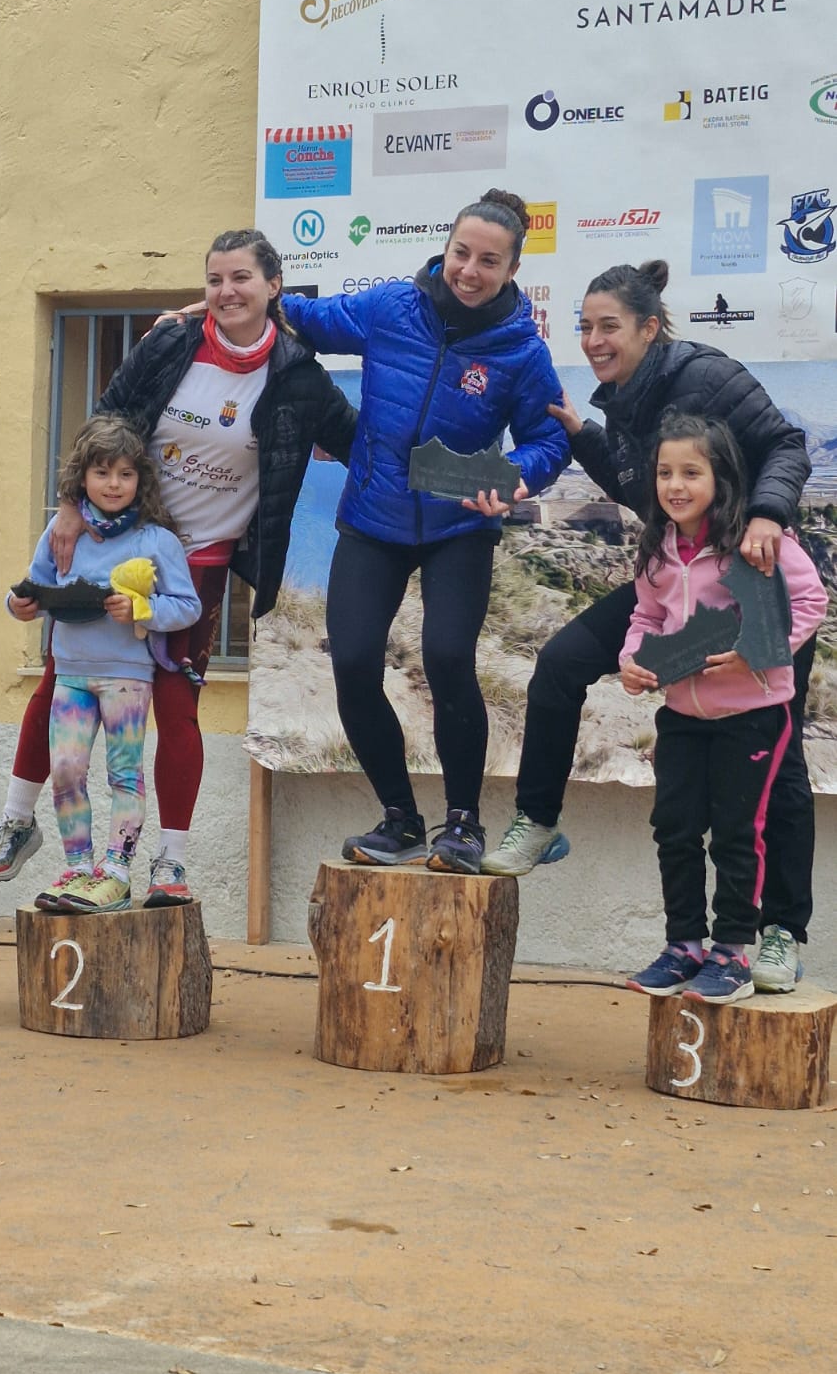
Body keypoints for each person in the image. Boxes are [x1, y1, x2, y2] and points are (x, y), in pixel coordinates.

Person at [0, 229, 358, 902]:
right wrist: (70, 504)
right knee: (58, 682)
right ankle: (15, 823)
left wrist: (441, 492)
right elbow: (106, 420)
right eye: (214, 280)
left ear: (274, 286)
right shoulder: (171, 341)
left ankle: (169, 864)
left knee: (177, 710)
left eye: (241, 278)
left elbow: (361, 445)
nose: (226, 291)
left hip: (199, 566)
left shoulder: (298, 377)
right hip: (113, 546)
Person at [481, 260, 816, 995]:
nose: (595, 340)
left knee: (775, 775)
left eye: (610, 326)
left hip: (758, 577)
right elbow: (642, 488)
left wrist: (766, 516)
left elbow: (787, 444)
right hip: (677, 582)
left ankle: (780, 934)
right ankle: (537, 822)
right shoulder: (622, 399)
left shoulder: (706, 375)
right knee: (565, 661)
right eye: (586, 327)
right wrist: (579, 435)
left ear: (649, 327)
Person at [280, 189, 570, 874]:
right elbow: (306, 320)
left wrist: (517, 475)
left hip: (457, 526)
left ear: (510, 268)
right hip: (374, 517)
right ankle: (400, 820)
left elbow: (548, 439)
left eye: (488, 261)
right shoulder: (390, 307)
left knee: (446, 659)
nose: (470, 270)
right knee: (352, 663)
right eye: (461, 253)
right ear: (446, 248)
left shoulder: (521, 351)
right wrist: (232, 304)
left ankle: (463, 825)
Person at [619, 414, 827, 1004]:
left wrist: (753, 652)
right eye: (664, 473)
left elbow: (811, 600)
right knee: (674, 829)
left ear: (722, 477)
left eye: (691, 472)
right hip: (681, 716)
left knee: (739, 833)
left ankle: (732, 953)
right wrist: (633, 658)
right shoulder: (657, 547)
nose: (675, 485)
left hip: (754, 716)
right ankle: (683, 945)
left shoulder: (756, 541)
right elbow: (647, 618)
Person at [9, 416, 203, 912]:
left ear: (141, 479)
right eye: (101, 473)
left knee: (124, 774)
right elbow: (33, 585)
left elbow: (187, 606)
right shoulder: (61, 530)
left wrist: (143, 609)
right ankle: (78, 868)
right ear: (82, 479)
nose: (113, 485)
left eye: (125, 474)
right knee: (67, 770)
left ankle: (116, 871)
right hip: (70, 673)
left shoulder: (156, 539)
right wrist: (19, 605)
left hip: (127, 678)